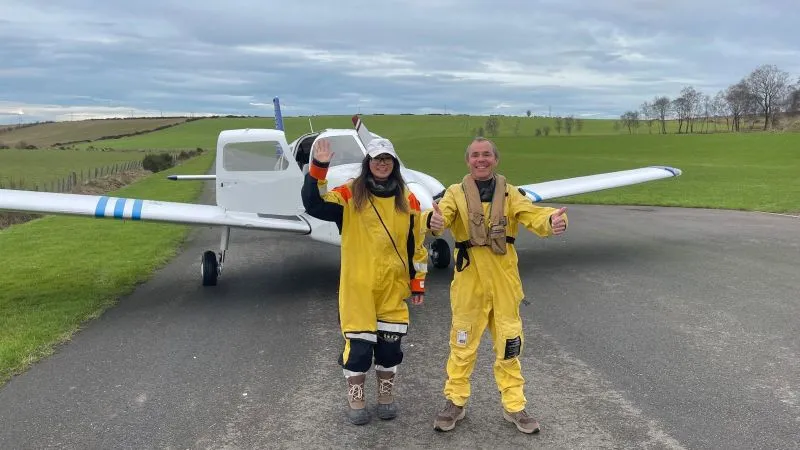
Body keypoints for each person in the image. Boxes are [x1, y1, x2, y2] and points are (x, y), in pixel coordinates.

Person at [424, 137, 568, 434]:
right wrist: (433, 221)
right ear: (468, 161)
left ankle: (514, 406)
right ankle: (455, 401)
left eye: (486, 154)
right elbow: (440, 218)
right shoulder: (454, 194)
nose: (481, 159)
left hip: (504, 283)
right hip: (469, 283)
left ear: (495, 159)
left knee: (509, 346)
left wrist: (552, 220)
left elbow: (533, 215)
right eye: (475, 155)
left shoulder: (512, 194)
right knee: (461, 345)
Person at [301, 137, 428, 425]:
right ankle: (356, 398)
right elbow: (314, 203)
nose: (381, 163)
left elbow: (415, 245)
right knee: (358, 348)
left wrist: (417, 282)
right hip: (357, 288)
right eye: (376, 159)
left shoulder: (407, 200)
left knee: (390, 347)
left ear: (393, 164)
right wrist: (319, 167)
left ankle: (385, 395)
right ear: (368, 163)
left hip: (393, 288)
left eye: (387, 159)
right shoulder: (349, 194)